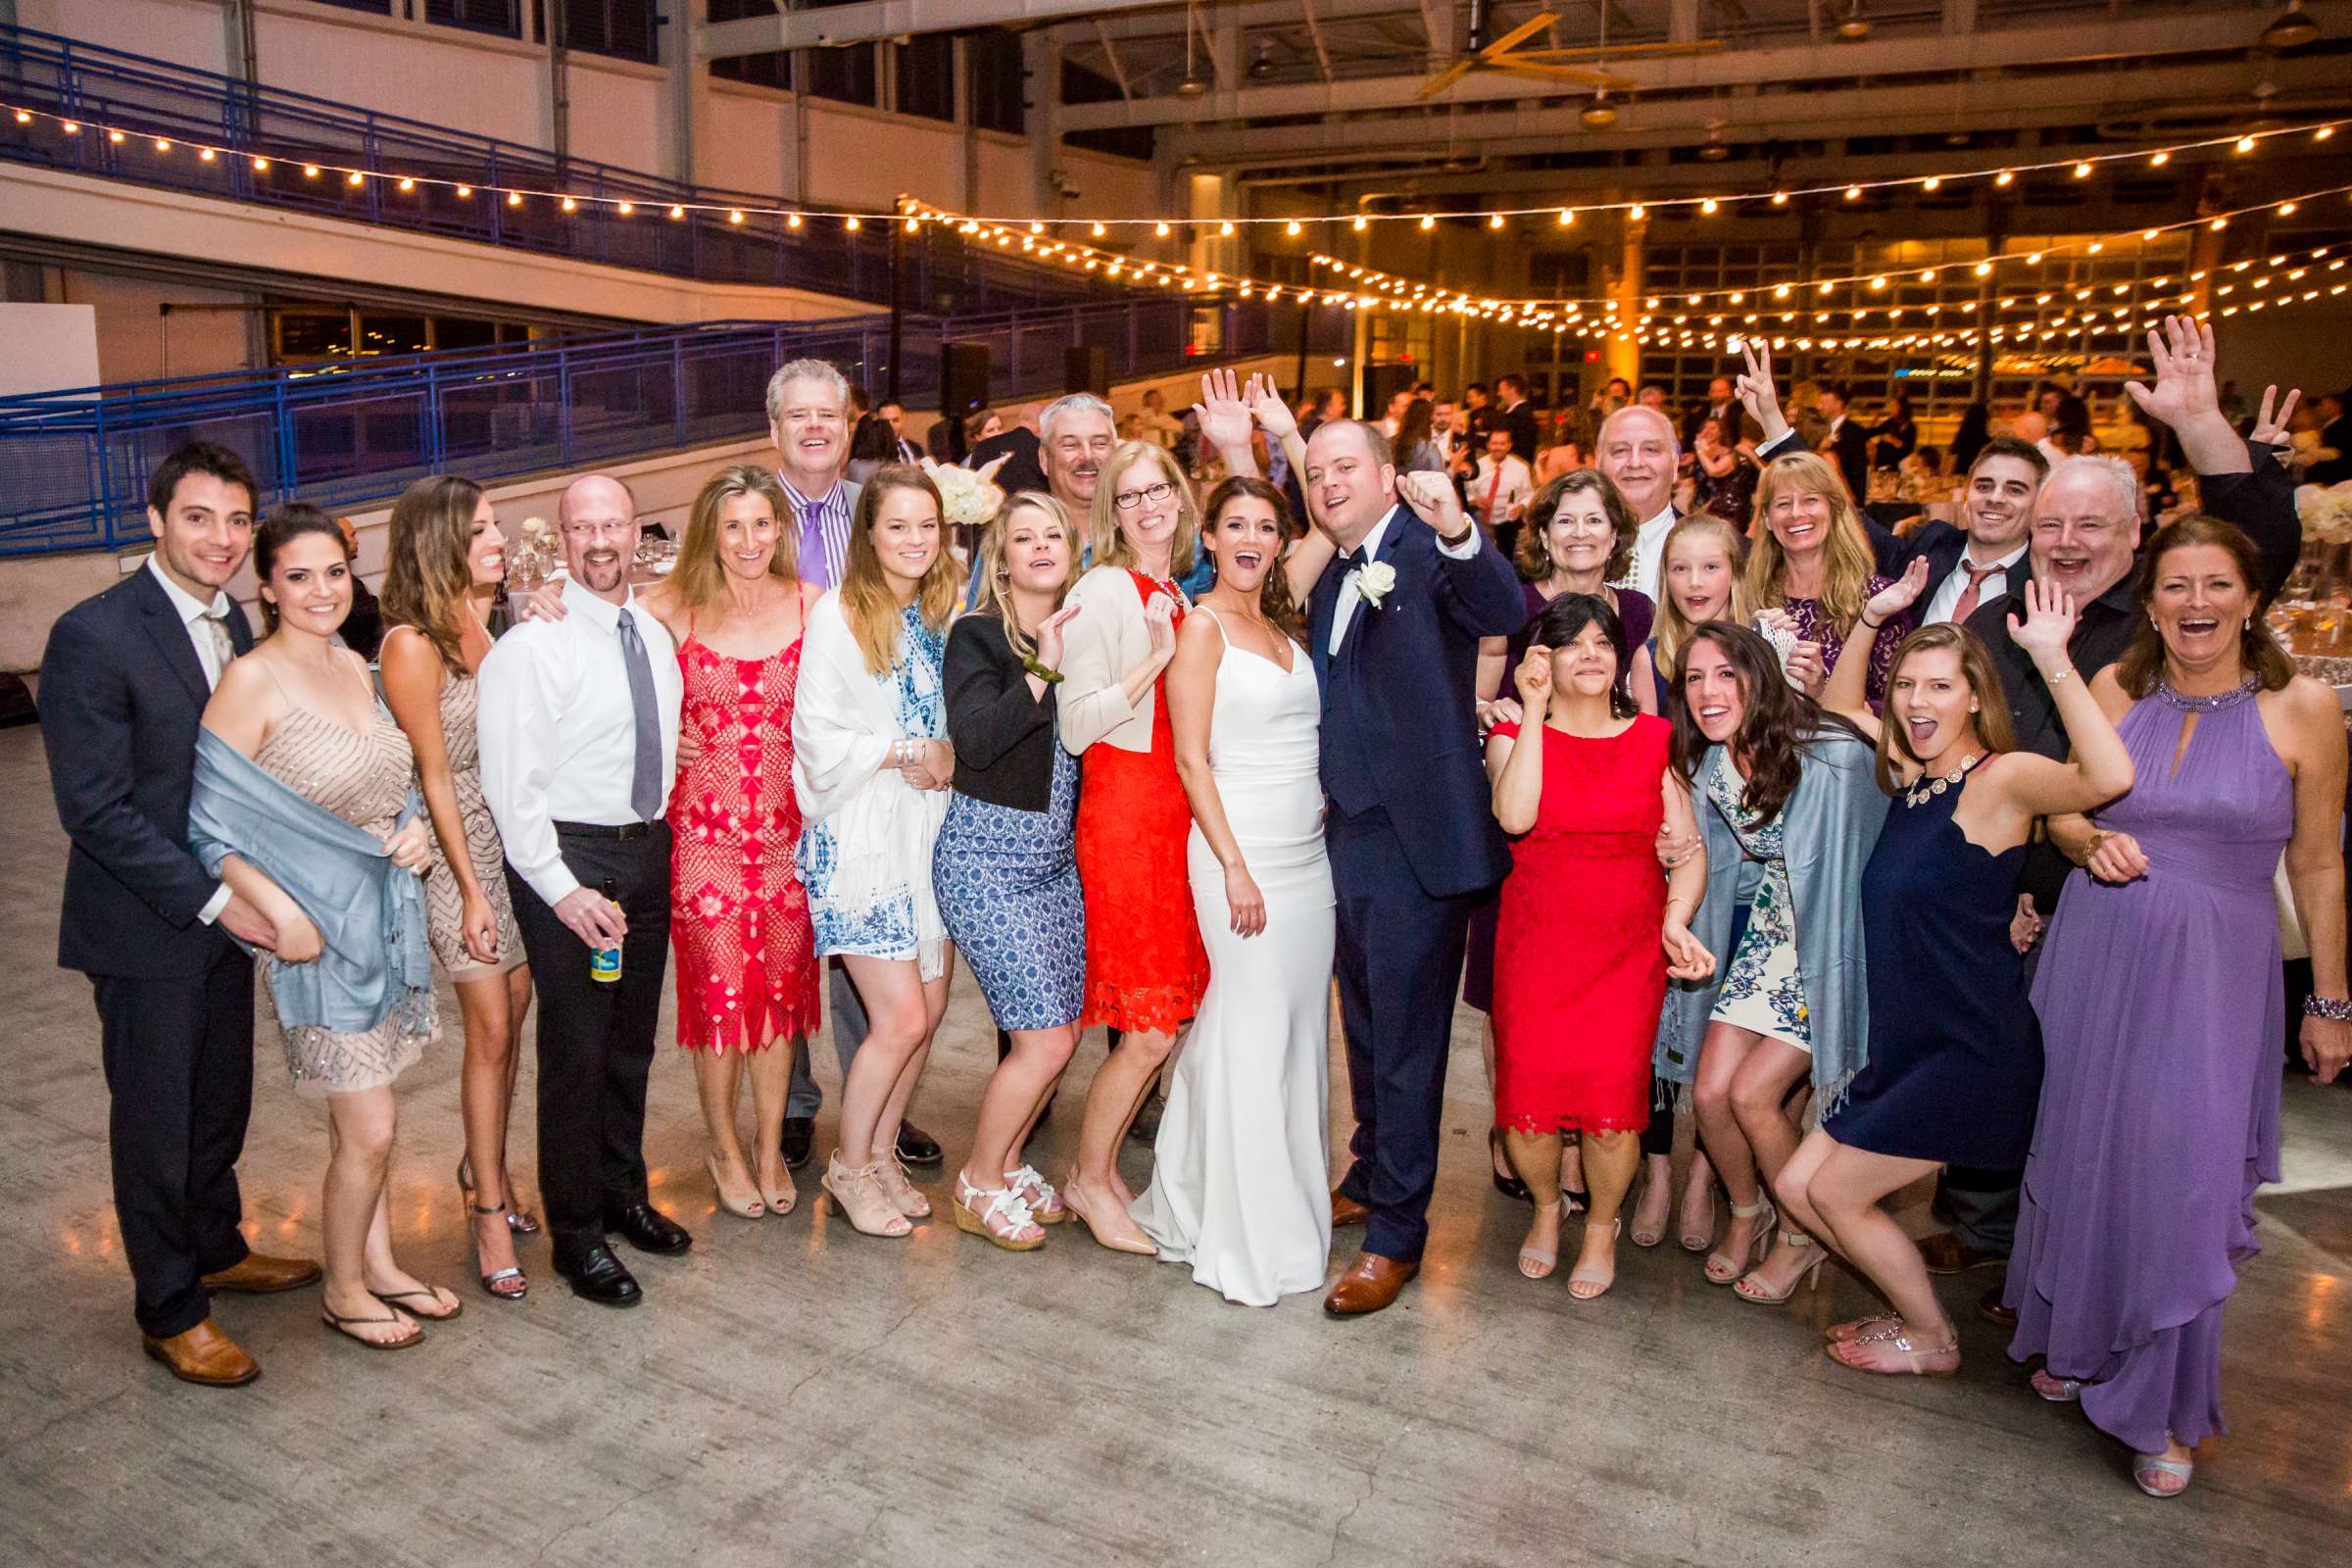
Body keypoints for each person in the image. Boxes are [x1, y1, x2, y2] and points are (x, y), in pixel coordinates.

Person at [2008, 514, 2348, 1495]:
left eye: (2215, 585)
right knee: (2082, 1150)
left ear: (2252, 596)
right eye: (2176, 586)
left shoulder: (2305, 710)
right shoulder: (2117, 686)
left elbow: (2320, 862)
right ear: (2149, 600)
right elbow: (2061, 801)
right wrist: (2082, 842)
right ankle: (2078, 1339)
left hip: (2215, 976)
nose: (2195, 605)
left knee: (2184, 1176)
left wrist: (2332, 998)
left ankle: (2163, 1401)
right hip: (2098, 949)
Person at [1786, 581, 2132, 1378]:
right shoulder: (1914, 777)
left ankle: (1930, 1336)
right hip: (1912, 1044)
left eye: (1939, 684)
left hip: (1973, 1050)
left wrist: (2051, 658)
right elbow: (1844, 708)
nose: (1916, 699)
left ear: (1976, 696)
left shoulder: (2002, 779)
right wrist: (1874, 622)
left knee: (1833, 1195)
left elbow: (2106, 778)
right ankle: (1907, 1303)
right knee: (1800, 1186)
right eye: (1907, 684)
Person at [39, 442, 320, 1387]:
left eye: (238, 521)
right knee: (157, 1123)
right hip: (147, 925)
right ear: (156, 519)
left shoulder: (237, 624)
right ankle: (169, 1308)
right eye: (200, 517)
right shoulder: (96, 632)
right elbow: (95, 809)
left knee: (218, 1105)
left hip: (224, 913)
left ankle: (216, 1246)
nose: (223, 538)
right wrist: (218, 901)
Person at [189, 504, 448, 1348]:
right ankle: (342, 1289)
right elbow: (206, 832)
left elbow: (387, 781)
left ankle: (377, 1264)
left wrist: (412, 828)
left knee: (359, 1121)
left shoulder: (354, 663)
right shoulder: (250, 682)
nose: (321, 590)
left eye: (334, 571)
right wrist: (281, 914)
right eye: (298, 576)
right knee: (371, 1127)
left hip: (383, 923)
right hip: (314, 943)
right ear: (264, 585)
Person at [1306, 420, 1525, 1316]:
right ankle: (1369, 1167)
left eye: (1344, 467)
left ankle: (1398, 1232)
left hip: (1418, 840)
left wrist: (1460, 530)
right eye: (1314, 472)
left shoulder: (1427, 543)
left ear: (1390, 476)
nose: (1326, 483)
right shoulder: (1331, 567)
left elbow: (1503, 611)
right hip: (1345, 832)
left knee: (1406, 1042)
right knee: (1361, 1024)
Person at [479, 474, 691, 1307]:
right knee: (575, 1054)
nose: (599, 541)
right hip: (567, 863)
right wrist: (564, 892)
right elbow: (512, 788)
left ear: (636, 531)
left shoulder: (650, 630)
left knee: (631, 1045)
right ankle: (574, 1235)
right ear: (560, 538)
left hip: (646, 853)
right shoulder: (532, 646)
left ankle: (621, 1195)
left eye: (613, 524)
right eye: (582, 527)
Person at [1133, 475, 1337, 1304]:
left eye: (1264, 526)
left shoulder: (1283, 625)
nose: (1250, 538)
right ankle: (1243, 1231)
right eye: (1234, 525)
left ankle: (1209, 1189)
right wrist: (1234, 864)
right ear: (1208, 538)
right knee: (1250, 1028)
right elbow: (1190, 758)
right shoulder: (1201, 628)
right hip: (1238, 859)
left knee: (1291, 1037)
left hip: (1308, 859)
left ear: (1279, 543)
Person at [1486, 594, 1712, 1300]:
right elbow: (1516, 816)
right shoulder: (1510, 736)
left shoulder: (1654, 737)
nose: (1590, 654)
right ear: (1541, 656)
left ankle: (1603, 1226)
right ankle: (1550, 1212)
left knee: (1613, 1107)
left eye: (1602, 643)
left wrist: (1677, 919)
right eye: (1570, 643)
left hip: (1626, 951)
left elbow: (1691, 852)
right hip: (1535, 947)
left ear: (1620, 658)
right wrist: (1529, 715)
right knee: (1527, 1101)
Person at [1655, 623, 1887, 1302]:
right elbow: (1697, 851)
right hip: (1767, 936)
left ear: (1760, 676)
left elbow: (1890, 823)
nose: (1708, 691)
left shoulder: (1830, 753)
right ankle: (1748, 1213)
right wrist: (1675, 891)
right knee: (1707, 1094)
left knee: (1754, 1096)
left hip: (1828, 941)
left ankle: (1799, 1233)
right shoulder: (1706, 765)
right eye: (1694, 679)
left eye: (1725, 673)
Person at [761, 359, 942, 1176]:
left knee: (899, 1005)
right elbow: (680, 603)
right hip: (803, 770)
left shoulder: (919, 587)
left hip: (901, 814)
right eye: (797, 416)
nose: (813, 428)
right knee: (788, 956)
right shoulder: (751, 515)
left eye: (827, 415)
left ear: (848, 422)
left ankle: (872, 1139)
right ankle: (810, 1121)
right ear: (775, 428)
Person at [378, 476, 536, 1300]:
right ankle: (485, 1208)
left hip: (512, 836)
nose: (499, 539)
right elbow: (434, 778)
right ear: (440, 539)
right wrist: (471, 891)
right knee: (490, 1026)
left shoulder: (482, 617)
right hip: (456, 847)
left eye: (497, 525)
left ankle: (487, 1164)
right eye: (482, 530)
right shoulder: (412, 643)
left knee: (514, 1009)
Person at [792, 466, 959, 1238]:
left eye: (927, 526)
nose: (915, 540)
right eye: (897, 526)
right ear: (868, 534)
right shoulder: (840, 615)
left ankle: (884, 1154)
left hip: (922, 834)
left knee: (924, 1013)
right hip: (859, 838)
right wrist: (904, 752)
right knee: (895, 1018)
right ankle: (851, 1167)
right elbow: (817, 736)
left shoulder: (929, 612)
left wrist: (945, 751)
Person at [1055, 439, 1210, 1253]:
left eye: (1159, 491)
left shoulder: (1176, 589)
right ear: (1110, 513)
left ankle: (1104, 1169)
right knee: (1148, 1026)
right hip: (1125, 820)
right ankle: (1085, 1179)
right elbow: (1078, 726)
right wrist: (1154, 655)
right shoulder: (1106, 587)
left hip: (1173, 818)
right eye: (1129, 496)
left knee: (1169, 1017)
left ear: (1181, 499)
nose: (1148, 506)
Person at [662, 467, 823, 1220]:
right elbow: (599, 673)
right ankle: (722, 1146)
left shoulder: (813, 606)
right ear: (710, 533)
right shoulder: (670, 610)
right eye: (734, 526)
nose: (750, 540)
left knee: (781, 997)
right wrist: (661, 743)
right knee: (723, 994)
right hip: (704, 836)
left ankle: (767, 1148)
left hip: (790, 836)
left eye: (763, 524)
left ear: (780, 531)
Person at [932, 494, 1087, 1250]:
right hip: (987, 861)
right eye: (1023, 538)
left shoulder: (1090, 631)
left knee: (1065, 1028)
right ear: (1001, 560)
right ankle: (979, 1181)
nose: (1040, 547)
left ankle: (1013, 1161)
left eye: (1052, 533)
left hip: (1057, 864)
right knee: (1044, 1042)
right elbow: (979, 739)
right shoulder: (978, 636)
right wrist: (1044, 670)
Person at [1746, 451, 1912, 710]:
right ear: (1766, 518)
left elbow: (1897, 704)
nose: (1796, 513)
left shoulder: (1877, 597)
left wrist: (1824, 692)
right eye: (1782, 504)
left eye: (1810, 500)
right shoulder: (1750, 594)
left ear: (1833, 509)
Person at [1632, 513, 1751, 720]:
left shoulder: (1762, 643)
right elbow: (1648, 750)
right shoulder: (1650, 660)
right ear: (1666, 577)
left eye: (1711, 567)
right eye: (1680, 568)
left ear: (1735, 573)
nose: (1695, 581)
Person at [1595, 405, 1683, 598]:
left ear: (1675, 465)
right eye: (1620, 451)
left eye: (1650, 449)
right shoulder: (1558, 550)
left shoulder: (1731, 552)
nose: (1635, 463)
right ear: (1598, 465)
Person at [1468, 427, 1535, 546]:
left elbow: (1529, 495)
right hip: (1481, 522)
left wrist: (1521, 507)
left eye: (1502, 443)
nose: (1498, 447)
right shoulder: (1476, 467)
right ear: (1488, 445)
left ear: (1509, 445)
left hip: (1509, 524)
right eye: (1494, 443)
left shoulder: (1521, 469)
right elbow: (1465, 493)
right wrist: (1474, 500)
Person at [1691, 416, 1759, 530]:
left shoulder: (1734, 454)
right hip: (1707, 508)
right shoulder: (1699, 456)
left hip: (1726, 511)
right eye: (1705, 428)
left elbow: (1714, 471)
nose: (1707, 431)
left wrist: (1699, 449)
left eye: (1712, 428)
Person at [1816, 383, 1870, 501]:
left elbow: (1859, 469)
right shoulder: (1825, 431)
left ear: (1838, 404)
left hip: (1846, 497)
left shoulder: (1854, 431)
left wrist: (1858, 502)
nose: (1819, 407)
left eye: (1824, 403)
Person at [1495, 373, 1542, 465]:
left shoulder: (1517, 415)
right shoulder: (1524, 410)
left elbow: (1499, 441)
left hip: (1513, 465)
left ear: (1512, 391)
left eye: (1501, 390)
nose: (1498, 394)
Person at [1395, 397, 1446, 474]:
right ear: (1428, 422)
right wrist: (1453, 466)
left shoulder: (1389, 443)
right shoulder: (1429, 449)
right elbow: (1439, 482)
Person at [1870, 393, 1917, 472]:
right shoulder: (1890, 422)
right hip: (1881, 464)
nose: (1890, 408)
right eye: (1890, 405)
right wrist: (1875, 418)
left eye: (1894, 405)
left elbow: (1906, 449)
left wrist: (1892, 440)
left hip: (1894, 467)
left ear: (1902, 407)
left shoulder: (1909, 427)